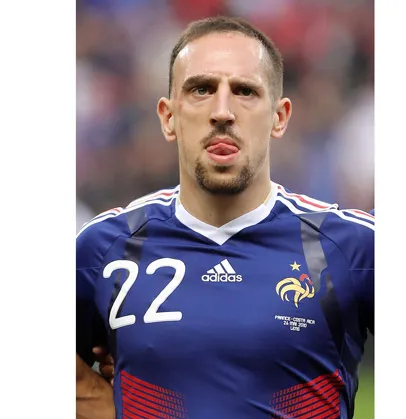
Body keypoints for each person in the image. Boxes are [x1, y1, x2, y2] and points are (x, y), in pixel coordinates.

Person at [76, 15, 374, 419]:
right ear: (168, 117)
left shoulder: (349, 246)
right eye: (201, 89)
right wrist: (95, 403)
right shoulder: (105, 247)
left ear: (279, 117)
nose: (222, 112)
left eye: (245, 91)